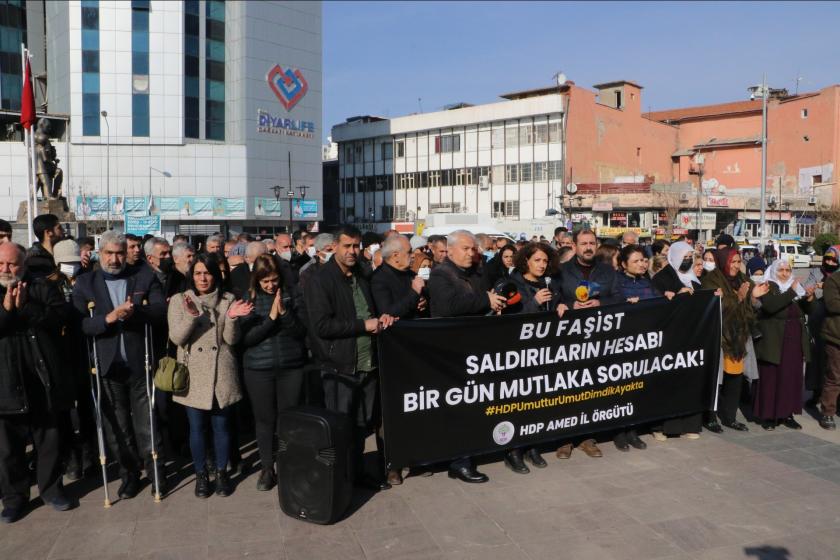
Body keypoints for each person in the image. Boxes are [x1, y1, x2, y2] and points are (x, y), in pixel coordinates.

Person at [72, 231, 167, 499]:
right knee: (118, 429)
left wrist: (136, 312)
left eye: (119, 253)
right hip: (106, 366)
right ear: (98, 254)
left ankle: (156, 471)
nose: (114, 259)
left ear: (126, 253)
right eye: (109, 253)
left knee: (147, 423)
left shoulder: (144, 276)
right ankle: (129, 475)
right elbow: (80, 324)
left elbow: (160, 311)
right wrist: (109, 318)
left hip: (139, 362)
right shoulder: (85, 283)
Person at [305, 225, 396, 490]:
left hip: (368, 362)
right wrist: (362, 325)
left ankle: (356, 474)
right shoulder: (320, 280)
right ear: (334, 246)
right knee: (340, 427)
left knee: (361, 425)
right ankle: (339, 480)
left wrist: (384, 316)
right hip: (339, 366)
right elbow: (321, 326)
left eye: (356, 246)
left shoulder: (363, 274)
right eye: (347, 246)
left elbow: (373, 309)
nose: (352, 251)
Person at [0, 243, 75, 523]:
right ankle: (14, 499)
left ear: (24, 265)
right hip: (6, 382)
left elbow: (60, 319)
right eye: (1, 264)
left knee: (49, 441)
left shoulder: (42, 287)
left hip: (42, 378)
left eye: (12, 264)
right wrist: (7, 310)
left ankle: (52, 490)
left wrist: (27, 307)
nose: (6, 270)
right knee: (8, 450)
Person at [168, 254, 252, 498]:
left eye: (207, 273)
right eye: (198, 273)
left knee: (222, 426)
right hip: (194, 373)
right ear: (191, 276)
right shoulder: (179, 300)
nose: (203, 278)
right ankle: (201, 475)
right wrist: (193, 317)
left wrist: (233, 318)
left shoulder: (228, 299)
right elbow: (177, 338)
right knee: (196, 428)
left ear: (216, 274)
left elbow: (231, 340)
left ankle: (222, 472)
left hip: (222, 371)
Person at [428, 230, 505, 483]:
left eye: (473, 249)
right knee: (458, 407)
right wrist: (485, 299)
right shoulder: (441, 274)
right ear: (449, 251)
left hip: (474, 348)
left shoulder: (476, 273)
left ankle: (467, 453)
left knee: (473, 406)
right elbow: (448, 306)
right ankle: (459, 461)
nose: (471, 253)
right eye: (465, 248)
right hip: (451, 351)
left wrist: (493, 303)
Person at [240, 255, 306, 491]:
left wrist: (285, 313)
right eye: (265, 281)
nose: (270, 285)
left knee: (288, 419)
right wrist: (271, 319)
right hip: (259, 368)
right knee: (265, 420)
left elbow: (301, 331)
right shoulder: (248, 298)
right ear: (256, 280)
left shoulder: (292, 294)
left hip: (291, 365)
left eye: (274, 280)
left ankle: (288, 464)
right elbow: (246, 338)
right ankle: (267, 468)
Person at [503, 242, 566, 473]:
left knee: (536, 401)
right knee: (518, 402)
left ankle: (531, 446)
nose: (542, 265)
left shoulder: (551, 283)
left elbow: (558, 304)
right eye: (537, 260)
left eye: (545, 261)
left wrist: (562, 307)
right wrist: (533, 302)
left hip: (544, 351)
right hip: (519, 352)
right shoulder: (513, 283)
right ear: (526, 261)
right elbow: (510, 317)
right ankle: (514, 450)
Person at [701, 248, 769, 431]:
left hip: (739, 338)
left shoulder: (743, 280)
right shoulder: (711, 280)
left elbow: (752, 310)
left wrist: (753, 299)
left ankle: (730, 417)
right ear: (723, 261)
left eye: (738, 262)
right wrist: (737, 297)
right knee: (716, 380)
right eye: (732, 261)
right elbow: (714, 308)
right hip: (719, 337)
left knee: (735, 378)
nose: (736, 265)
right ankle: (710, 417)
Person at [649, 241, 706, 437]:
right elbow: (656, 307)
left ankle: (690, 425)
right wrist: (675, 297)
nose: (688, 261)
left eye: (690, 257)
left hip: (692, 338)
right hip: (670, 339)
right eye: (684, 257)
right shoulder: (661, 279)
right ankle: (663, 427)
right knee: (667, 382)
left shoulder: (695, 279)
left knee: (690, 381)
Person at [612, 244, 665, 450]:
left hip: (643, 344)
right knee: (621, 388)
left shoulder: (648, 281)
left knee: (637, 388)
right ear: (624, 264)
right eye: (636, 261)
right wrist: (624, 303)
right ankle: (618, 432)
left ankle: (632, 430)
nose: (642, 264)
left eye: (644, 260)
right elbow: (610, 303)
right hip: (621, 343)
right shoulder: (616, 282)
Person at [753, 259, 813, 430]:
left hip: (793, 339)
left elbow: (809, 311)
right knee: (771, 378)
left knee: (790, 378)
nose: (785, 273)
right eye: (781, 270)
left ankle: (787, 413)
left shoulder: (794, 288)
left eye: (788, 270)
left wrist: (809, 298)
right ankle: (768, 416)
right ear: (774, 271)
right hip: (773, 339)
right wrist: (792, 293)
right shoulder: (768, 286)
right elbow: (771, 307)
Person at [807, 247, 840, 413]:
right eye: (827, 259)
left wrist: (824, 287)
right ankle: (816, 393)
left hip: (834, 326)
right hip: (818, 322)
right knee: (818, 360)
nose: (830, 263)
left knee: (834, 367)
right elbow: (808, 289)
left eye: (834, 260)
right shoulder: (816, 272)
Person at [371, 235, 427, 322]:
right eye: (409, 252)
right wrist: (414, 293)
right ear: (395, 256)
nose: (413, 255)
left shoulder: (411, 274)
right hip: (397, 332)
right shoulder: (378, 279)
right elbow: (387, 313)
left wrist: (423, 302)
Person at [819, 251, 840, 430]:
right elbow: (832, 305)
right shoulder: (834, 280)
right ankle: (827, 412)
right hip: (836, 335)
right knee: (834, 376)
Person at [26, 213, 63, 279]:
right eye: (59, 228)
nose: (64, 231)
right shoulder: (31, 258)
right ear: (48, 232)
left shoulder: (64, 253)